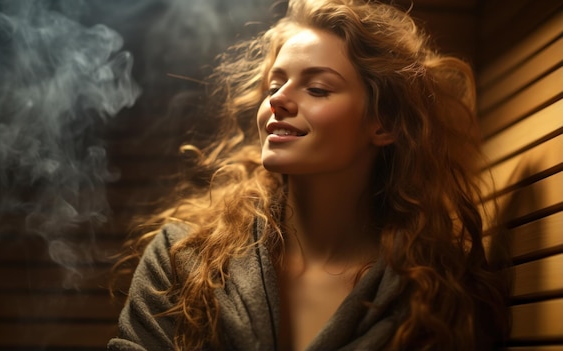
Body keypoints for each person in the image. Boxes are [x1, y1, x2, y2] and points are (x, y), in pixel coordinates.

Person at [108, 0, 509, 350]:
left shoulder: (437, 292)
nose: (278, 99)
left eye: (317, 89)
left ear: (384, 124)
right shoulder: (181, 259)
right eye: (275, 84)